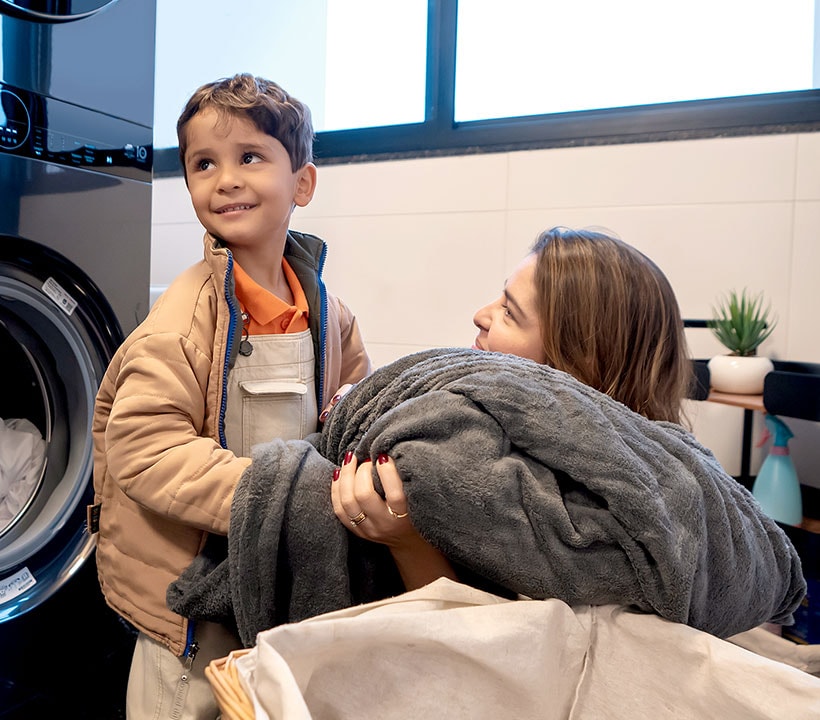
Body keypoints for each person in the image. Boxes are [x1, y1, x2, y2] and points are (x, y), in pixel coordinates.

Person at [90, 73, 370, 719]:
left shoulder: (332, 317)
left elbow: (357, 410)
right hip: (190, 605)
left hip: (275, 585)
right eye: (203, 164)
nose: (226, 179)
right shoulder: (182, 324)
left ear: (302, 182)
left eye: (250, 157)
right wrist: (282, 500)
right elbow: (148, 455)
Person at [331, 226, 699, 589]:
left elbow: (503, 641)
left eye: (509, 313)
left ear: (574, 363)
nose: (481, 315)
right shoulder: (469, 428)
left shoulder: (593, 526)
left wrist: (408, 543)